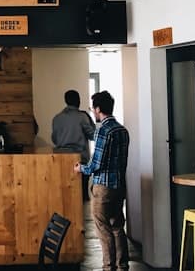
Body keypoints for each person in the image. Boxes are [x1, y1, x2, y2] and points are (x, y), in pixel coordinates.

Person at [74, 90, 129, 271]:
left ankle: (108, 267)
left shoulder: (103, 131)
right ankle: (122, 266)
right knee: (117, 227)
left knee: (103, 228)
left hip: (103, 187)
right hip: (119, 186)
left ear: (98, 109)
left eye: (92, 109)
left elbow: (95, 164)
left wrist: (80, 168)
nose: (92, 112)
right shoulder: (122, 130)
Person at [52, 90, 95, 200]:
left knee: (65, 196)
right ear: (78, 101)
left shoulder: (57, 118)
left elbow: (55, 139)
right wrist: (91, 120)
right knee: (82, 196)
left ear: (66, 101)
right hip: (79, 160)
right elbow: (93, 135)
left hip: (60, 159)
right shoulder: (82, 117)